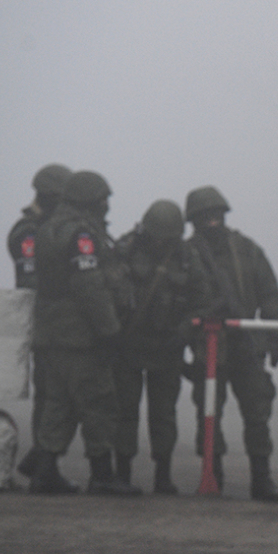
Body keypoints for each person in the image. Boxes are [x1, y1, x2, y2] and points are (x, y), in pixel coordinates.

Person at [29, 170, 141, 497]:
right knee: (99, 402)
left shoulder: (49, 228)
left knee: (59, 403)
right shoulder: (82, 235)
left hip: (52, 334)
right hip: (80, 336)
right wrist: (110, 331)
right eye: (104, 199)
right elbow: (89, 286)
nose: (107, 206)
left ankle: (45, 471)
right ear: (91, 200)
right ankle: (103, 475)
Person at [184, 185, 278, 502]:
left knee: (257, 414)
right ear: (194, 220)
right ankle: (211, 476)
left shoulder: (247, 250)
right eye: (205, 217)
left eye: (217, 215)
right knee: (209, 414)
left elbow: (269, 295)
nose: (212, 222)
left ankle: (262, 478)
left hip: (247, 346)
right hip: (208, 348)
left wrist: (272, 337)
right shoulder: (186, 255)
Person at [113, 200, 210, 494]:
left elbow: (202, 301)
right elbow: (106, 291)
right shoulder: (125, 250)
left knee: (164, 413)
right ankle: (122, 473)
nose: (162, 242)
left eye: (168, 237)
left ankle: (163, 475)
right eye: (158, 236)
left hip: (168, 347)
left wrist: (185, 331)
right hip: (128, 346)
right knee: (124, 411)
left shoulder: (187, 258)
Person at [8, 163, 72, 481]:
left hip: (57, 324)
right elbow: (31, 280)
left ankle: (41, 457)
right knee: (49, 394)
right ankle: (44, 462)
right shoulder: (28, 232)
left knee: (59, 395)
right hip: (44, 324)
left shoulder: (48, 228)